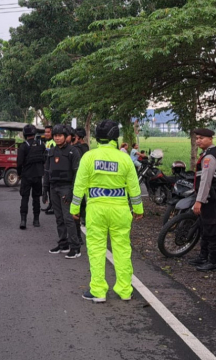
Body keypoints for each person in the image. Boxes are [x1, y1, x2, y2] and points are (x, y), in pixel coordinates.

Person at [71, 120, 143, 303]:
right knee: (122, 250)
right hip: (120, 210)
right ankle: (125, 290)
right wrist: (138, 209)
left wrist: (75, 208)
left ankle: (98, 291)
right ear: (115, 137)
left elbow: (79, 185)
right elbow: (134, 187)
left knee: (96, 250)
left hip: (96, 209)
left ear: (97, 137)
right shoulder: (125, 158)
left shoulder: (89, 157)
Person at [188, 128, 216, 272]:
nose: (198, 140)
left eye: (201, 138)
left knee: (211, 229)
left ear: (210, 139)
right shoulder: (209, 153)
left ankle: (213, 261)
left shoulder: (210, 156)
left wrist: (199, 201)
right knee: (204, 227)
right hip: (209, 196)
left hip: (211, 197)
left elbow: (206, 181)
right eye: (197, 138)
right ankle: (203, 256)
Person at [43, 125, 83, 258]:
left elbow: (77, 173)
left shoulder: (73, 151)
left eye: (60, 135)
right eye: (55, 135)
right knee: (59, 218)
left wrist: (72, 191)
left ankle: (75, 248)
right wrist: (45, 190)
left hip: (67, 188)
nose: (57, 138)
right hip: (54, 188)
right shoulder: (51, 151)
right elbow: (47, 172)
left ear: (66, 137)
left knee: (68, 218)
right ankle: (63, 244)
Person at [17, 124, 46, 229]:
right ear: (34, 133)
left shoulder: (23, 146)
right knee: (36, 198)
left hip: (26, 176)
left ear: (25, 134)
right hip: (38, 175)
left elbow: (19, 163)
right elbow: (44, 159)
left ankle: (23, 221)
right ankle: (36, 220)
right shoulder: (41, 145)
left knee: (24, 198)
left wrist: (19, 174)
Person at [43, 125, 55, 215]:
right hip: (47, 168)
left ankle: (54, 207)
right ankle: (50, 205)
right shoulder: (48, 142)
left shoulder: (53, 143)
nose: (46, 134)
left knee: (51, 189)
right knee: (47, 188)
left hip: (51, 170)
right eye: (45, 132)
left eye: (48, 132)